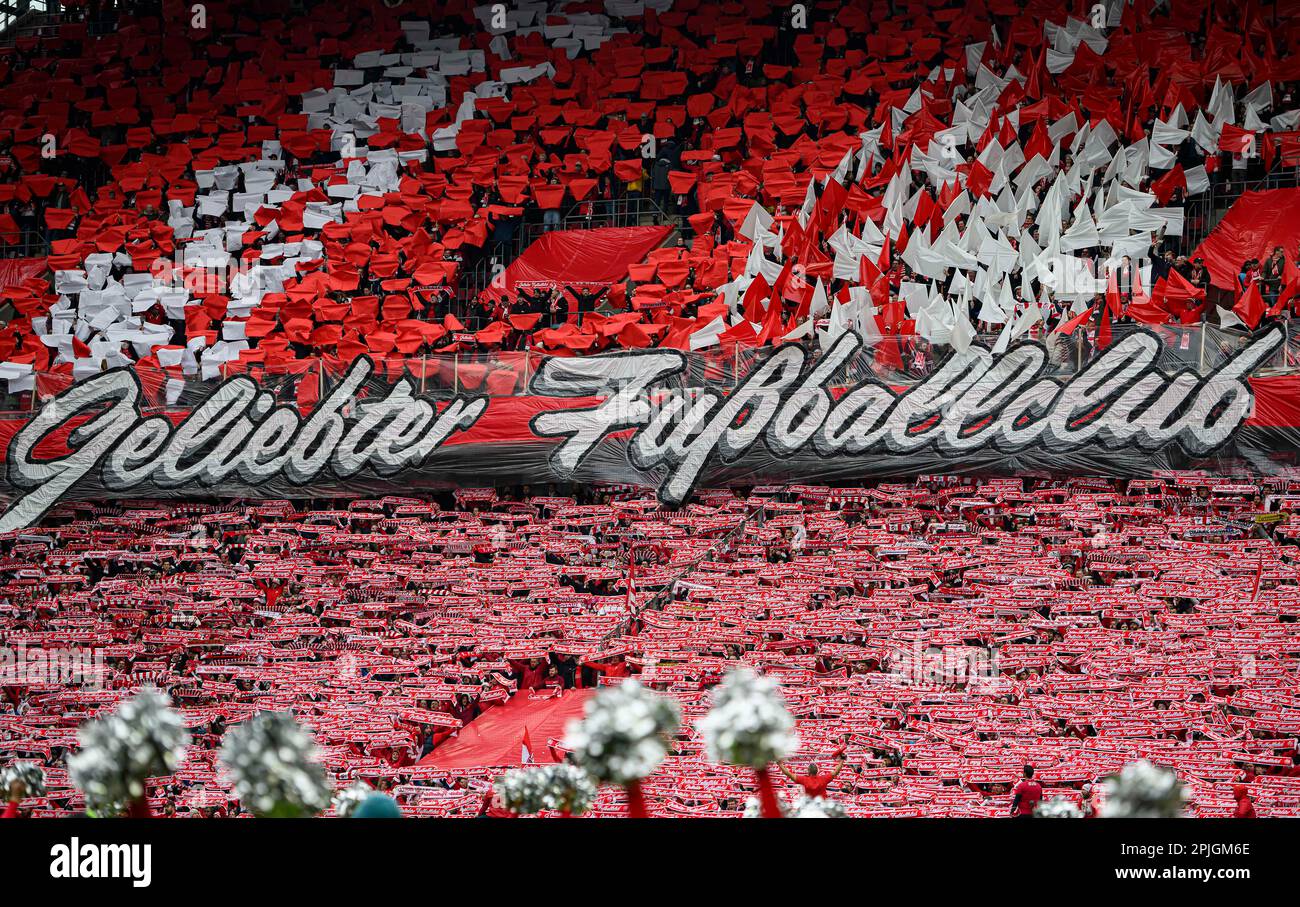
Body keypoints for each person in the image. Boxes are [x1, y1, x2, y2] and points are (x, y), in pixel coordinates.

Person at [779, 746, 847, 798]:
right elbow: (836, 772)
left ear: (808, 771)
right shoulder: (824, 779)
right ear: (817, 771)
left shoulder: (804, 780)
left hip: (810, 805)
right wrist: (841, 760)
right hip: (822, 804)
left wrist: (780, 764)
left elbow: (789, 774)